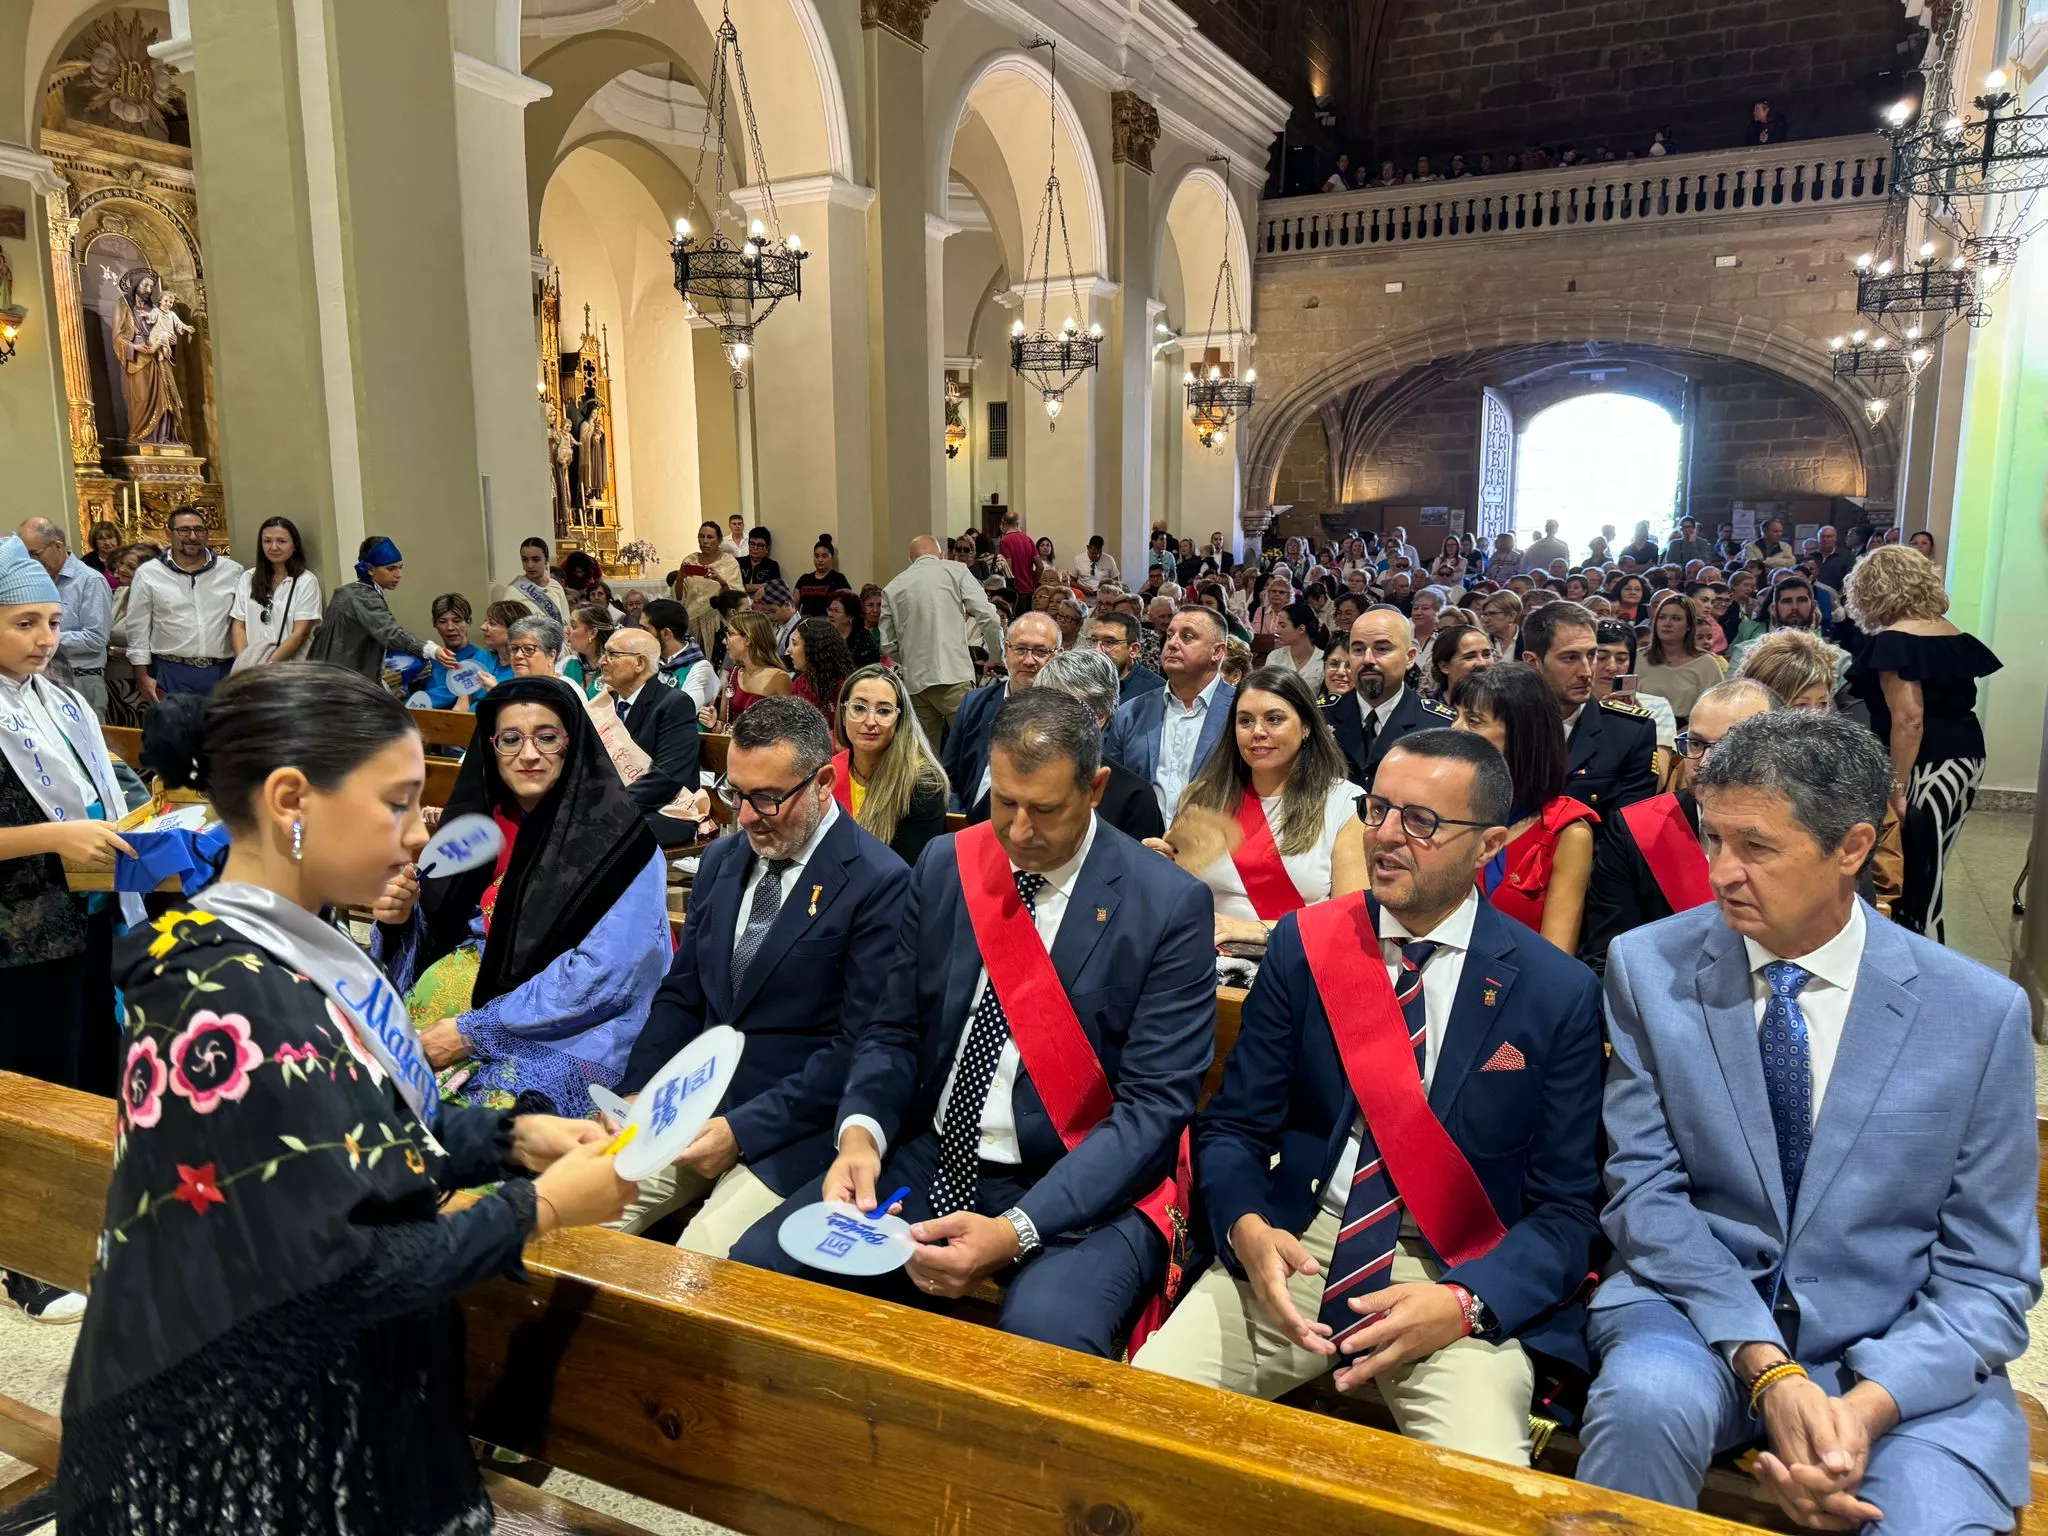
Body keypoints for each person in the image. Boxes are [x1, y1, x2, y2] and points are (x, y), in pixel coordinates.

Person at [60, 665, 635, 1534]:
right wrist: (540, 1209)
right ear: (293, 798)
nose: (419, 835)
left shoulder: (283, 943)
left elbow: (359, 1117)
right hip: (240, 1454)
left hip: (317, 1410)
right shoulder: (225, 993)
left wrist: (509, 1140)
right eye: (397, 802)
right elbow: (338, 1271)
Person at [1577, 711, 2036, 1534]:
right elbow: (1644, 1194)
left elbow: (1991, 1276)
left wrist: (1864, 1409)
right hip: (1700, 1317)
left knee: (1932, 1520)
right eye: (1711, 837)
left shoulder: (1976, 1013)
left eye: (1755, 847)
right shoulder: (1651, 966)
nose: (1721, 872)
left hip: (1895, 1346)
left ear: (1852, 848)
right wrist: (1767, 1368)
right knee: (1644, 1406)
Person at [1132, 731, 1605, 1467]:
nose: (1385, 836)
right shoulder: (1305, 945)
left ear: (1487, 847)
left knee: (1486, 1493)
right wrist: (1247, 1229)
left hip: (1450, 1267)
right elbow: (1233, 1129)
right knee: (1138, 1420)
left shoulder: (1558, 993)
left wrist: (1465, 1303)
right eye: (1378, 810)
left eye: (1421, 822)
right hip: (1299, 1249)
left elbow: (1569, 1211)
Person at [730, 689, 1215, 1360]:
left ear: (1096, 788)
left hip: (1076, 1181)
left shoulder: (1166, 905)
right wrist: (862, 1136)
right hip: (934, 1155)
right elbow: (893, 1029)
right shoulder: (948, 864)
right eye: (1003, 802)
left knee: (1046, 1344)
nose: (1018, 831)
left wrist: (1017, 1229)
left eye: (1045, 809)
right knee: (760, 1269)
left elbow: (1151, 1111)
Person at [613, 698, 911, 1250]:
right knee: (581, 1212)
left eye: (769, 798)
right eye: (736, 793)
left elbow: (858, 1047)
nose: (746, 815)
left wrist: (742, 1129)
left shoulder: (878, 882)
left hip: (795, 1125)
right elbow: (681, 995)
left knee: (698, 1261)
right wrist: (639, 1090)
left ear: (824, 782)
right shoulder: (724, 861)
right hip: (695, 1104)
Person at [371, 675, 670, 1112]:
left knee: (487, 1130)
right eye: (510, 739)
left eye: (547, 738)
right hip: (448, 1016)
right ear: (491, 748)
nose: (528, 754)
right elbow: (436, 931)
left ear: (573, 743)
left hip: (566, 1027)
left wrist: (474, 1032)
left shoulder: (621, 844)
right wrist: (399, 919)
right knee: (366, 1095)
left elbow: (607, 972)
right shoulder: (475, 829)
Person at [0, 535, 137, 1320]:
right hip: (17, 936)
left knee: (90, 1075)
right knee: (33, 1089)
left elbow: (101, 786)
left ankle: (91, 1223)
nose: (46, 639)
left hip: (84, 913)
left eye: (51, 621)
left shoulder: (56, 698)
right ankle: (31, 1261)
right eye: (24, 623)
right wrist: (54, 837)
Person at [1844, 544, 2000, 940]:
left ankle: (1923, 960)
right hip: (1963, 756)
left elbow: (1909, 720)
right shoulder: (1949, 632)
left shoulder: (1895, 640)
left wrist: (1897, 785)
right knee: (1931, 862)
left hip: (1927, 764)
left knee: (1917, 875)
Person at [1149, 667, 1363, 950]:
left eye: (1274, 719)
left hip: (1301, 963)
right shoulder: (1202, 797)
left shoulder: (1345, 803)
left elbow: (1350, 922)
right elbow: (1175, 897)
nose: (1258, 732)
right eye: (1245, 721)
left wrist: (1252, 930)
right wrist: (1155, 868)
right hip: (1205, 960)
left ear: (1307, 727)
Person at [1578, 679, 1778, 975]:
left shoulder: (1813, 829)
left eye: (1729, 746)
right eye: (1696, 744)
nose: (1706, 762)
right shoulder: (1636, 831)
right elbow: (1608, 959)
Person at [1449, 663, 1597, 954]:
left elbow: (1556, 958)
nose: (1455, 727)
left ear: (1521, 735)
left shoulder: (1567, 831)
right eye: (1457, 715)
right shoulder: (1446, 808)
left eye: (1473, 720)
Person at [1521, 600, 1656, 826]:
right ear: (1533, 662)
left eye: (1592, 655)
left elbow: (1625, 834)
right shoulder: (1503, 723)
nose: (1586, 671)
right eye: (1570, 658)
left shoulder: (1629, 734)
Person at [1105, 605, 1237, 821]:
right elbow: (1113, 789)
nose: (1173, 644)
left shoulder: (1241, 710)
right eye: (1170, 635)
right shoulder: (1131, 712)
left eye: (1188, 637)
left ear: (1217, 652)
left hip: (1215, 846)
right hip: (1143, 845)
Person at [1019, 650, 1165, 843]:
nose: (1043, 717)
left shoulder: (1134, 797)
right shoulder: (1017, 773)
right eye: (1039, 705)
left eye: (1058, 707)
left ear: (1098, 716)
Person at [881, 535, 1005, 751]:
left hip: (916, 683)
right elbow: (988, 616)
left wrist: (911, 657)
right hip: (954, 675)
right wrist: (996, 654)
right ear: (941, 555)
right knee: (970, 753)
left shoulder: (893, 587)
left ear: (911, 560)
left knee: (925, 760)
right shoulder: (956, 571)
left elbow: (888, 644)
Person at [942, 611, 1061, 812]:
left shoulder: (1067, 715)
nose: (1029, 660)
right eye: (1021, 649)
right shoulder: (975, 703)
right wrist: (957, 818)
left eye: (1041, 651)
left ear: (1058, 655)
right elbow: (948, 778)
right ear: (1006, 650)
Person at [833, 664, 949, 867]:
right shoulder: (831, 772)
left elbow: (904, 874)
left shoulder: (923, 785)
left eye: (884, 711)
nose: (870, 721)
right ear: (843, 715)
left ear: (899, 720)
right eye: (859, 708)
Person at [1326, 607, 1454, 788]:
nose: (1367, 659)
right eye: (1358, 649)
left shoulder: (1438, 726)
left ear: (1409, 658)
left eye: (1382, 649)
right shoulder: (1322, 715)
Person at [598, 627, 702, 846]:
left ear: (640, 663)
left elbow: (668, 777)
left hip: (667, 809)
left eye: (612, 654)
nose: (601, 661)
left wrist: (610, 805)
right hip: (618, 805)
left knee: (598, 831)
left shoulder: (673, 704)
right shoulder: (605, 704)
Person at [126, 507, 243, 700]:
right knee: (176, 730)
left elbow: (243, 623)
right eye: (184, 530)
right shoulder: (149, 574)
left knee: (223, 730)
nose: (192, 536)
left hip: (223, 671)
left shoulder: (232, 572)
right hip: (172, 672)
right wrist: (141, 675)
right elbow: (138, 628)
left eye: (199, 530)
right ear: (168, 533)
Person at [305, 536, 447, 689]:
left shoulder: (351, 593)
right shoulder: (363, 596)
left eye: (400, 567)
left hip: (327, 679)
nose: (398, 574)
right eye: (391, 568)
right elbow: (390, 633)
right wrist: (430, 649)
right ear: (370, 569)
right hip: (339, 685)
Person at [15, 517, 112, 721]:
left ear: (57, 546)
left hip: (81, 679)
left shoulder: (89, 580)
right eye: (26, 555)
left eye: (35, 553)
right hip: (42, 677)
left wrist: (41, 638)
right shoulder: (36, 581)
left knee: (89, 747)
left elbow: (95, 639)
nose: (30, 561)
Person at [228, 515, 321, 674]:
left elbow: (300, 633)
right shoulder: (248, 578)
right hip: (252, 668)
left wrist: (268, 668)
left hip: (290, 669)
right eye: (267, 541)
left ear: (294, 546)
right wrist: (244, 664)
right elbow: (239, 625)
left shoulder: (305, 581)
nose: (273, 547)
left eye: (281, 541)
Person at [1637, 595, 1725, 726]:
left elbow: (1716, 710)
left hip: (1687, 734)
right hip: (1642, 728)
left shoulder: (1707, 663)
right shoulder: (1638, 658)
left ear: (1689, 625)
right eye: (1662, 617)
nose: (1667, 623)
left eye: (1676, 619)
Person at [715, 609, 793, 728]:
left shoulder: (779, 679)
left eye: (730, 634)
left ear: (748, 639)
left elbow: (788, 729)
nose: (724, 641)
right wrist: (714, 723)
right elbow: (724, 724)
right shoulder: (732, 675)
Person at [640, 596, 719, 712]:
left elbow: (681, 712)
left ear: (666, 634)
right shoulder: (651, 660)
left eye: (645, 629)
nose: (639, 635)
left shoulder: (700, 668)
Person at [418, 595, 490, 711]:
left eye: (457, 621)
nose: (450, 627)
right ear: (434, 624)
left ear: (469, 622)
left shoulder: (482, 659)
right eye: (442, 622)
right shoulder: (429, 661)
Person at [789, 616, 854, 736]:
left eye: (795, 644)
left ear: (813, 649)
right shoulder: (800, 683)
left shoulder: (845, 687)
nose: (789, 650)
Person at [1085, 609, 1165, 703]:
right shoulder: (1082, 678)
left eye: (1109, 642)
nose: (1096, 650)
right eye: (1094, 640)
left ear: (1134, 650)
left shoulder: (1155, 690)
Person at [491, 536, 570, 624]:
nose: (530, 565)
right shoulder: (514, 590)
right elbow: (506, 625)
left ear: (546, 560)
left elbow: (566, 621)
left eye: (536, 560)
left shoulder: (556, 586)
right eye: (525, 560)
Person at [1264, 600, 1327, 695]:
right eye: (1278, 625)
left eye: (1283, 626)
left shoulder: (1323, 660)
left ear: (1301, 629)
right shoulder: (1275, 657)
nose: (1277, 631)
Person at [1427, 623, 1493, 703]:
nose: (1482, 663)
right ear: (1444, 666)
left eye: (1486, 655)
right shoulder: (1426, 711)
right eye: (1470, 657)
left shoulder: (1506, 707)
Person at [560, 603, 614, 700]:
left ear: (592, 633)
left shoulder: (615, 667)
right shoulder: (566, 665)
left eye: (573, 626)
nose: (567, 631)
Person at [795, 538, 853, 618]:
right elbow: (795, 606)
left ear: (831, 557)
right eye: (817, 556)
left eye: (824, 556)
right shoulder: (804, 579)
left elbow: (848, 605)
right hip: (806, 624)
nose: (820, 560)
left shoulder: (838, 579)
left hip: (829, 624)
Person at [997, 511, 1040, 595]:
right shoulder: (1028, 539)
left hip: (1016, 590)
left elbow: (1008, 568)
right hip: (1029, 590)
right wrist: (1033, 582)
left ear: (1003, 524)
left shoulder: (1005, 541)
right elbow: (1040, 566)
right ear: (1018, 523)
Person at [737, 526, 781, 597]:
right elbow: (735, 587)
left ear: (767, 548)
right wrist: (763, 585)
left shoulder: (772, 565)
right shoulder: (738, 562)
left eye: (760, 545)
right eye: (752, 544)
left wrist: (747, 587)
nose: (755, 548)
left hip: (762, 605)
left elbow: (774, 587)